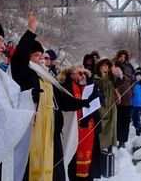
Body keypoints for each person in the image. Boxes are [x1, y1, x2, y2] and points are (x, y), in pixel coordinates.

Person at [11, 11, 91, 181]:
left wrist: (83, 102)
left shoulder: (45, 75)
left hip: (50, 132)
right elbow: (17, 59)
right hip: (31, 133)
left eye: (40, 55)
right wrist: (30, 32)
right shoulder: (23, 73)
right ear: (27, 57)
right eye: (35, 55)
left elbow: (61, 100)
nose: (39, 59)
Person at [0, 21, 34, 181]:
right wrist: (26, 115)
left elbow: (11, 100)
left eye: (3, 41)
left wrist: (29, 97)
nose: (3, 46)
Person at [58, 65, 103, 181]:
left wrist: (96, 97)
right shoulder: (65, 86)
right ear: (72, 75)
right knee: (72, 157)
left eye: (84, 73)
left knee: (90, 158)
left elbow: (101, 97)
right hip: (72, 127)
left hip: (90, 127)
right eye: (80, 73)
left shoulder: (90, 85)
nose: (83, 75)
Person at [94, 58, 124, 152]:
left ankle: (109, 148)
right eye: (103, 65)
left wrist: (121, 76)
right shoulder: (96, 77)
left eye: (107, 66)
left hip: (111, 106)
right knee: (103, 128)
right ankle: (101, 149)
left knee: (111, 128)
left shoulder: (110, 77)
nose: (105, 67)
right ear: (99, 67)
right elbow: (101, 85)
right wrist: (111, 74)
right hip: (103, 107)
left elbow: (117, 84)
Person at [113, 49, 135, 149]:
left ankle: (122, 141)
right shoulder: (112, 65)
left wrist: (132, 91)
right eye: (121, 56)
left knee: (125, 120)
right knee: (116, 119)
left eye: (124, 57)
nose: (122, 58)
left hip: (127, 97)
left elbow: (133, 81)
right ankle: (114, 139)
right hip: (115, 97)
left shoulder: (130, 67)